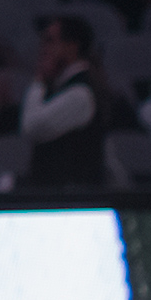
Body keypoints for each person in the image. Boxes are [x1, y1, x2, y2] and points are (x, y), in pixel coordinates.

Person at [18, 14, 112, 192]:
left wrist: (39, 81)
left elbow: (32, 127)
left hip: (73, 197)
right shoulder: (60, 87)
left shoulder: (80, 93)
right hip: (55, 195)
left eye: (50, 41)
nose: (43, 49)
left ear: (72, 47)